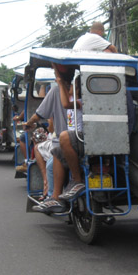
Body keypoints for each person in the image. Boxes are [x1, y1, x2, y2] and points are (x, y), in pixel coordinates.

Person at [25, 65, 74, 213]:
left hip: (63, 142)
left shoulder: (56, 91)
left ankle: (53, 196)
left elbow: (39, 114)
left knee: (50, 163)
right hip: (80, 141)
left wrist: (29, 123)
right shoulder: (80, 94)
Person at [54, 73, 86, 201]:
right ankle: (55, 197)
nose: (69, 87)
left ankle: (77, 179)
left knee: (64, 136)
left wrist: (60, 84)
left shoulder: (81, 102)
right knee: (56, 152)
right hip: (75, 139)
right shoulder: (73, 100)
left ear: (78, 89)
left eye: (72, 85)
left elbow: (65, 104)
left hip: (80, 138)